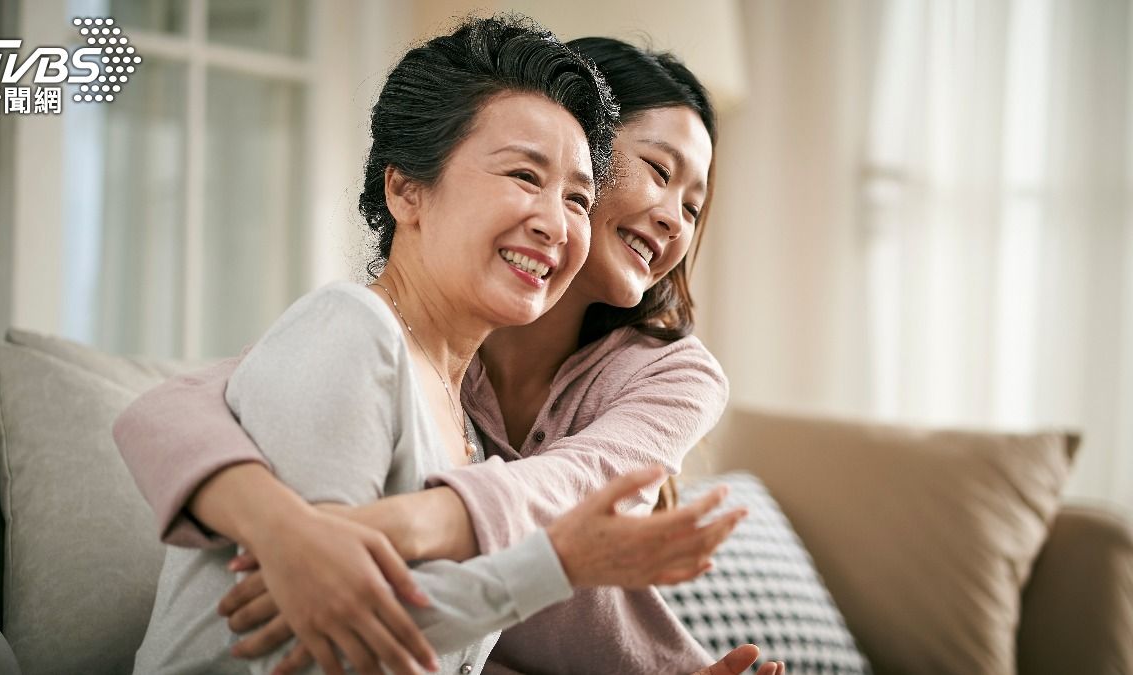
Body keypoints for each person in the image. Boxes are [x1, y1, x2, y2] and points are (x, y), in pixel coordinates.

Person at [117, 32, 786, 675]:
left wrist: (358, 536)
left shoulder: (667, 373)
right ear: (407, 187)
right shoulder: (368, 332)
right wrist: (289, 529)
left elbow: (564, 495)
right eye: (658, 172)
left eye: (694, 207)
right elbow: (175, 408)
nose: (674, 216)